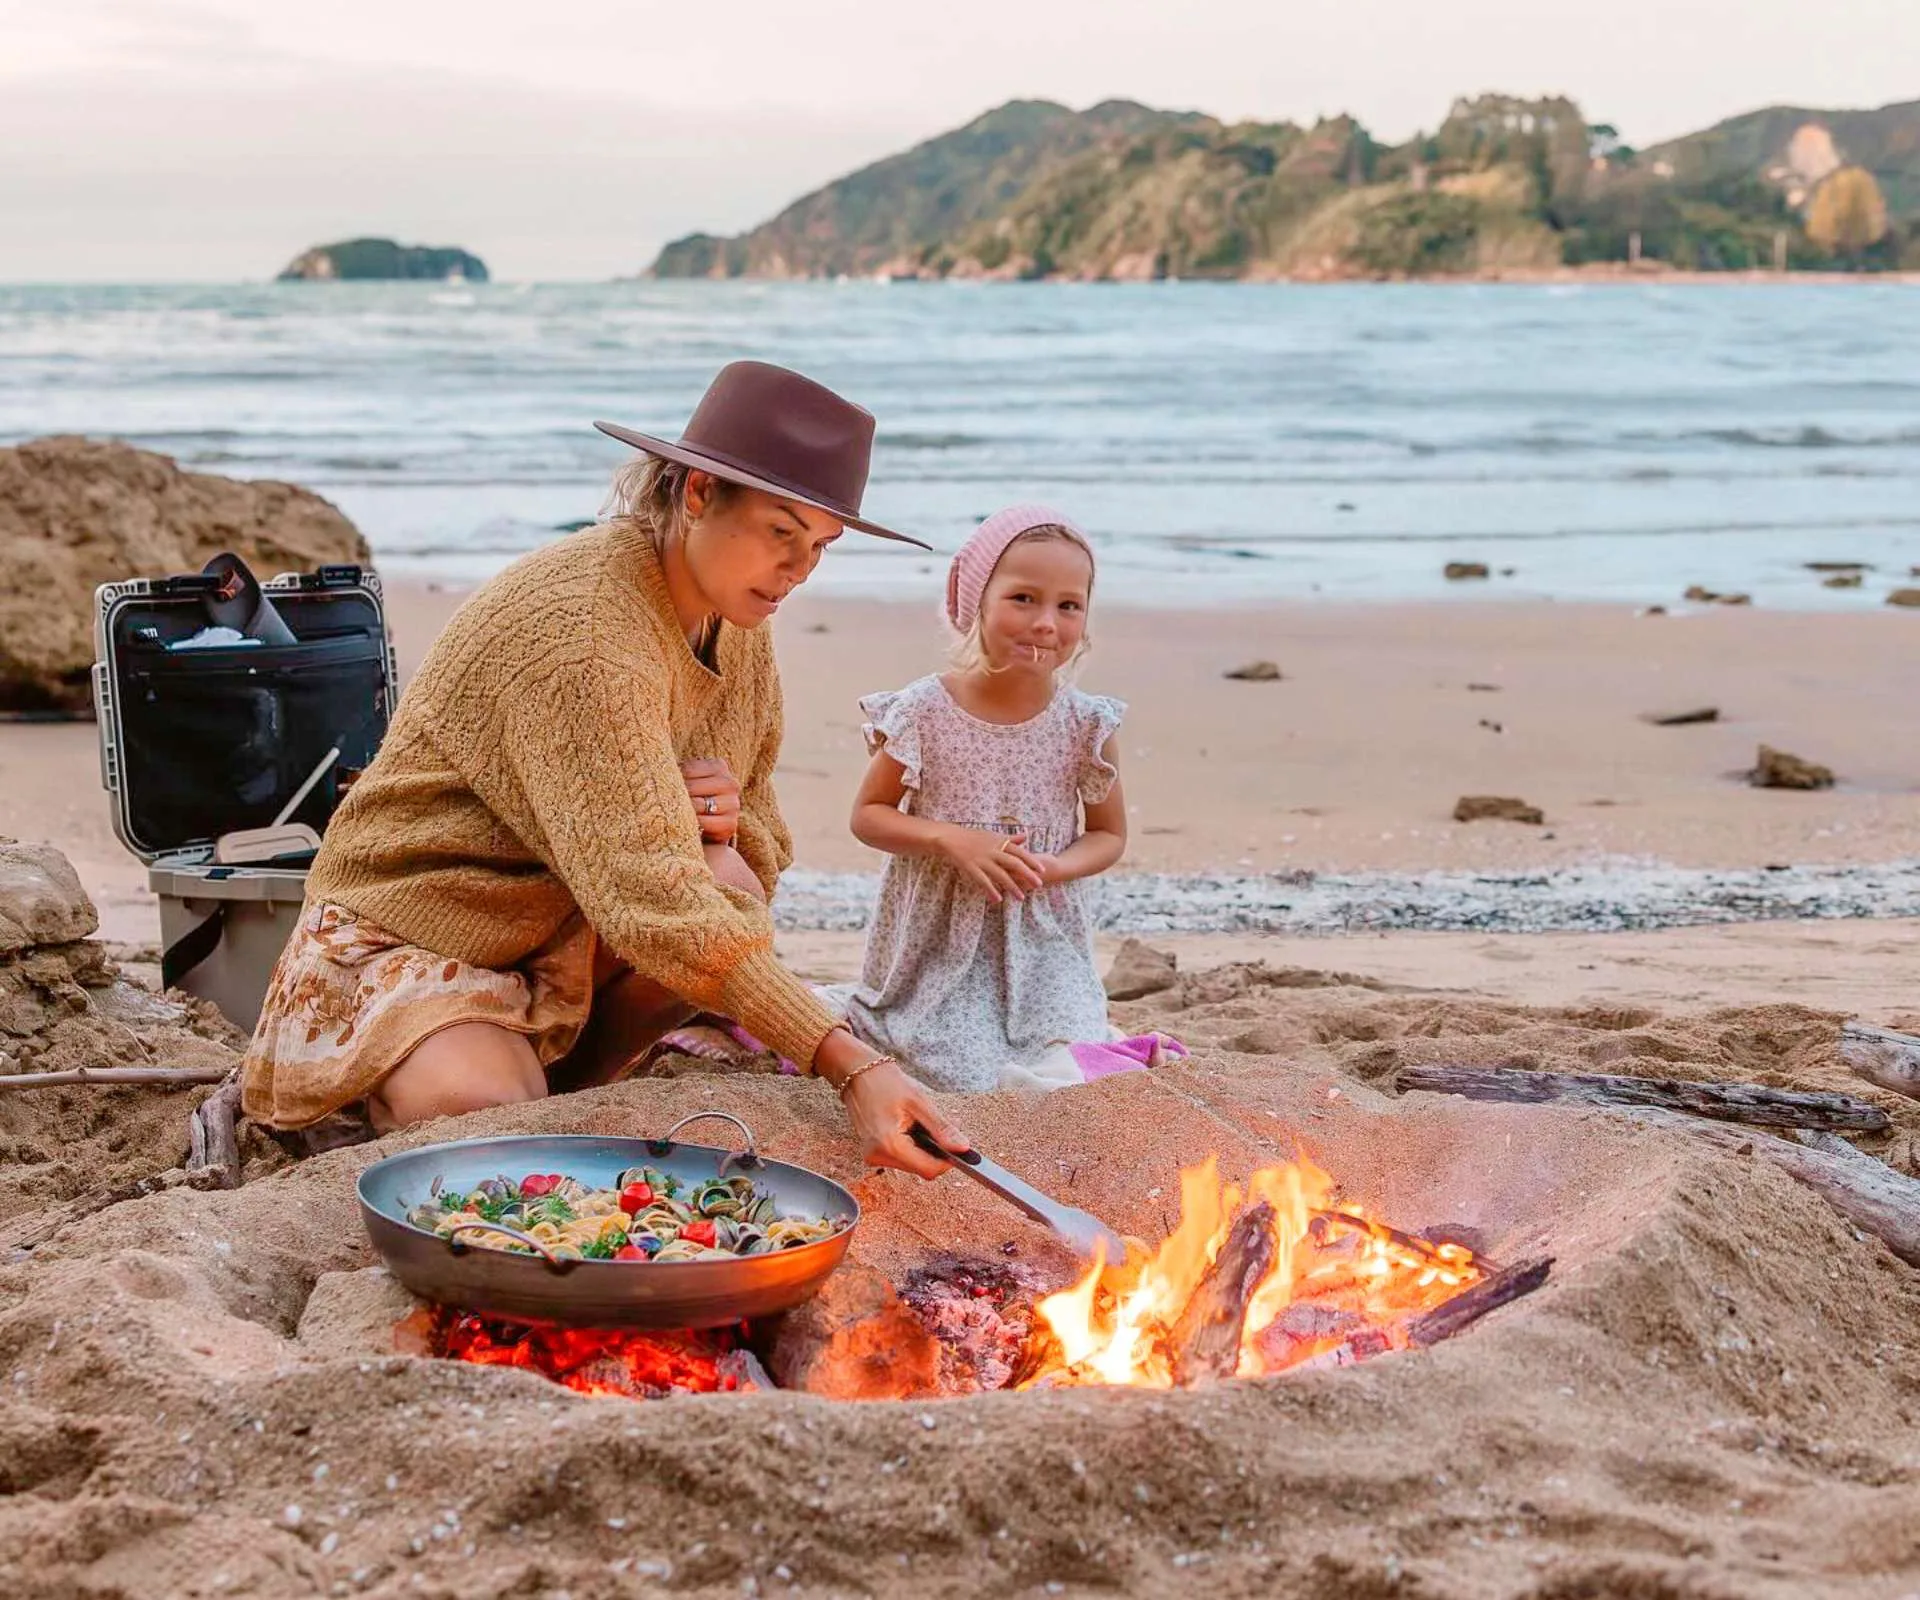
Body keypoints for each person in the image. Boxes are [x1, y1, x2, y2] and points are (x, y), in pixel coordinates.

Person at [240, 361, 968, 1177]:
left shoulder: (738, 618)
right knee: (489, 1112)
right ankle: (463, 1076)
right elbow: (655, 903)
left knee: (728, 881)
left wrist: (727, 820)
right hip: (409, 928)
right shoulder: (585, 631)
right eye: (781, 531)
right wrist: (852, 1064)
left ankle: (565, 1087)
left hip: (556, 923)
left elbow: (761, 836)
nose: (799, 569)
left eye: (820, 547)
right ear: (696, 492)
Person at [844, 505, 1178, 1091]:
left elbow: (1107, 835)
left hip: (1044, 939)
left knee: (1064, 1059)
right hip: (939, 944)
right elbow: (868, 817)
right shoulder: (924, 710)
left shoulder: (1085, 723)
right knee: (957, 1070)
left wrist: (1053, 867)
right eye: (1023, 598)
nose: (1047, 623)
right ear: (977, 601)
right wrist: (950, 838)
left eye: (1068, 605)